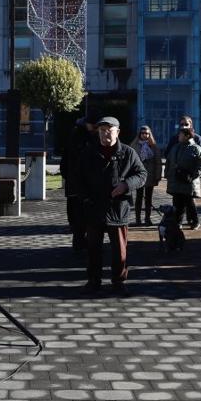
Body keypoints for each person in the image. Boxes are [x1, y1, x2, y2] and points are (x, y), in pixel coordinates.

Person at [78, 116, 147, 294]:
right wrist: (85, 198)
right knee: (93, 248)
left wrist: (126, 185)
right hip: (94, 208)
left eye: (109, 130)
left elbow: (142, 174)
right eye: (102, 130)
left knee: (120, 250)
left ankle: (118, 281)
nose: (105, 133)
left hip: (118, 209)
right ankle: (94, 280)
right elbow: (78, 177)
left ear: (117, 132)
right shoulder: (89, 151)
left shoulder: (128, 153)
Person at [61, 117, 96, 249]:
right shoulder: (88, 140)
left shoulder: (73, 138)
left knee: (76, 215)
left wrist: (68, 176)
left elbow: (64, 163)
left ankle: (78, 243)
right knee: (84, 215)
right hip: (83, 184)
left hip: (73, 183)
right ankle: (85, 243)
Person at [165, 115, 201, 227]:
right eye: (181, 124)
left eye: (186, 124)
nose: (183, 126)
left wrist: (192, 175)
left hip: (188, 180)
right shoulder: (175, 144)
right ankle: (178, 222)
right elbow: (168, 159)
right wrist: (168, 174)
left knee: (189, 202)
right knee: (177, 203)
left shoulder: (196, 144)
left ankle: (193, 221)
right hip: (176, 179)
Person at [129, 125, 162, 225]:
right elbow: (130, 161)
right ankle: (138, 219)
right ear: (139, 134)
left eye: (147, 133)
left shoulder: (153, 146)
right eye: (143, 133)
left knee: (148, 199)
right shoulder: (134, 145)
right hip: (138, 175)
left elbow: (158, 162)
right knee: (138, 198)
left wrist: (158, 175)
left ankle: (148, 219)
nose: (145, 135)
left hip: (150, 175)